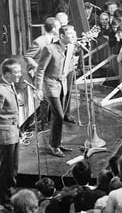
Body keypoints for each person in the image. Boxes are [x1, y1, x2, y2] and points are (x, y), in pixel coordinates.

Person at [34, 25, 78, 157]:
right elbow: (40, 69)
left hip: (62, 84)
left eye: (73, 33)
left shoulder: (70, 47)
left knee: (59, 116)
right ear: (61, 36)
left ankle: (56, 143)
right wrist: (38, 88)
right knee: (59, 115)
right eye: (69, 34)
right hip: (51, 84)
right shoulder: (49, 49)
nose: (73, 36)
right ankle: (53, 146)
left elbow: (68, 65)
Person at [0, 59, 23, 205]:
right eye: (17, 72)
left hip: (13, 132)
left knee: (13, 168)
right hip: (5, 135)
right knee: (6, 170)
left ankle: (11, 194)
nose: (20, 74)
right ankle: (6, 203)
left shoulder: (9, 85)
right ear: (7, 74)